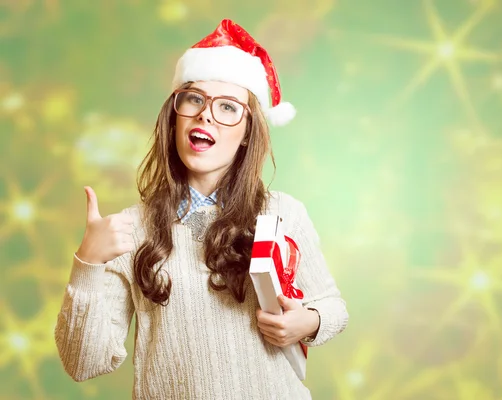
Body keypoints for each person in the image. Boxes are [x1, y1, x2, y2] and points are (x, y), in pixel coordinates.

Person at [54, 19, 348, 399]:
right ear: (175, 115)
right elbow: (83, 365)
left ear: (247, 134)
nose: (206, 114)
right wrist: (88, 264)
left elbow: (333, 307)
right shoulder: (128, 230)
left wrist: (308, 322)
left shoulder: (283, 214)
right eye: (194, 98)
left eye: (228, 107)